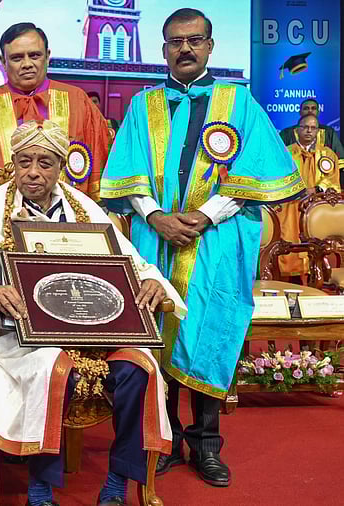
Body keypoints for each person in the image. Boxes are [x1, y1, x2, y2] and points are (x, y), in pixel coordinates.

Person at [0, 121, 183, 506]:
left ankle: (117, 482)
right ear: (13, 162)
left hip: (97, 335)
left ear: (60, 166)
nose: (33, 171)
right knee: (53, 367)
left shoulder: (86, 210)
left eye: (45, 163)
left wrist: (153, 282)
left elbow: (132, 263)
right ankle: (40, 490)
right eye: (24, 161)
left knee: (139, 369)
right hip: (21, 341)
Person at [100, 8, 304, 487]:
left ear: (210, 45)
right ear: (163, 48)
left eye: (194, 40)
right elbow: (128, 172)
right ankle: (164, 440)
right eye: (175, 42)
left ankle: (206, 445)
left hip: (217, 239)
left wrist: (204, 216)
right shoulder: (142, 105)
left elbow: (255, 173)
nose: (185, 49)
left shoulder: (241, 102)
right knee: (157, 332)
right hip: (156, 240)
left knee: (211, 330)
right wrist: (155, 217)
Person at [0, 22, 111, 201]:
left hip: (68, 219)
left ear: (47, 56)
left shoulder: (77, 101)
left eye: (34, 55)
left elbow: (100, 162)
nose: (27, 64)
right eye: (17, 58)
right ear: (3, 61)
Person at [277, 114, 341, 277]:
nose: (308, 131)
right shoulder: (285, 154)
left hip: (316, 207)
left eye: (313, 128)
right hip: (290, 206)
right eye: (305, 127)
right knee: (288, 237)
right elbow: (278, 179)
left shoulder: (327, 154)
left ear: (318, 131)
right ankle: (289, 276)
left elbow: (332, 179)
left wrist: (317, 189)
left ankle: (317, 274)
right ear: (297, 130)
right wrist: (298, 190)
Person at [278, 98, 344, 160]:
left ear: (318, 112)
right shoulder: (286, 133)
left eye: (313, 108)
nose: (310, 111)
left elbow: (340, 159)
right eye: (306, 108)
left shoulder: (329, 132)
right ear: (300, 112)